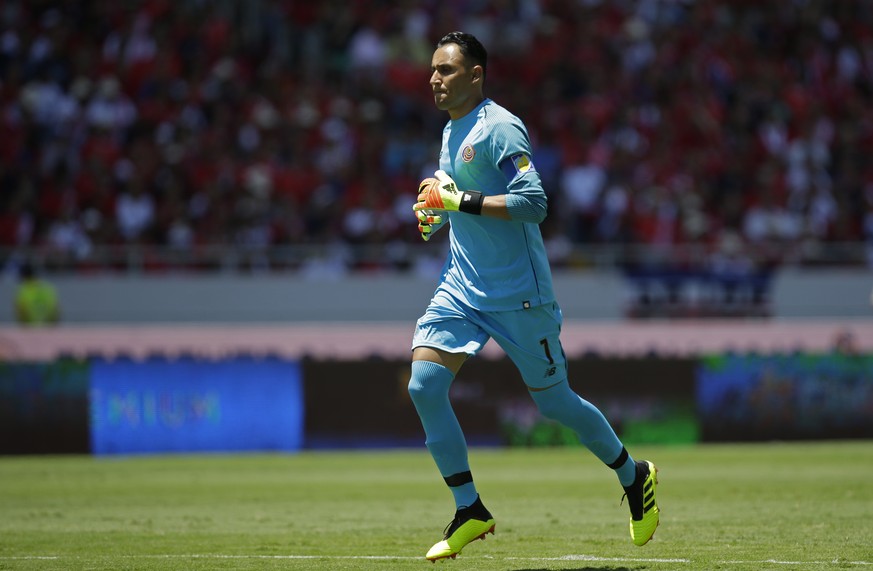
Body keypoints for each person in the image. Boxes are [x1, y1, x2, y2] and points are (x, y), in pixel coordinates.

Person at [408, 32, 659, 562]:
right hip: (461, 289)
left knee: (554, 404)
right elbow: (457, 200)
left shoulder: (500, 127)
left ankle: (632, 475)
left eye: (447, 70)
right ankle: (470, 508)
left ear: (476, 75)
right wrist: (438, 212)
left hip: (520, 294)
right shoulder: (450, 131)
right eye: (433, 69)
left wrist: (462, 199)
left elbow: (534, 202)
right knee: (424, 384)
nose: (435, 78)